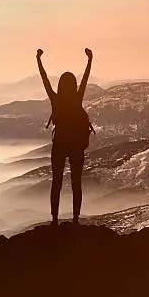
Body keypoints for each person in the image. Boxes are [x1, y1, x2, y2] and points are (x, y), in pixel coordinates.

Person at [37, 48, 93, 225]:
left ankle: (54, 220)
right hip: (76, 146)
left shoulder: (56, 99)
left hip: (59, 144)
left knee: (57, 182)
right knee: (77, 183)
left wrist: (38, 59)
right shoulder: (77, 99)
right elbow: (85, 78)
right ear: (73, 85)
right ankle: (76, 219)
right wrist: (90, 59)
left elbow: (44, 80)